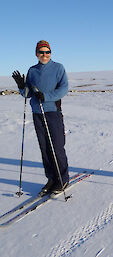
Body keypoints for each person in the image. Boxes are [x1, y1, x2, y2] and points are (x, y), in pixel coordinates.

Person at [12, 40, 69, 194]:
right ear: (36, 54)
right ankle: (51, 178)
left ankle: (62, 179)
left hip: (52, 112)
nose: (44, 55)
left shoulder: (58, 68)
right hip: (37, 113)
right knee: (44, 148)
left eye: (47, 52)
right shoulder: (32, 70)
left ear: (50, 53)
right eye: (41, 52)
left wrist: (46, 96)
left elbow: (64, 89)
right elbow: (28, 94)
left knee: (56, 147)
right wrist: (20, 85)